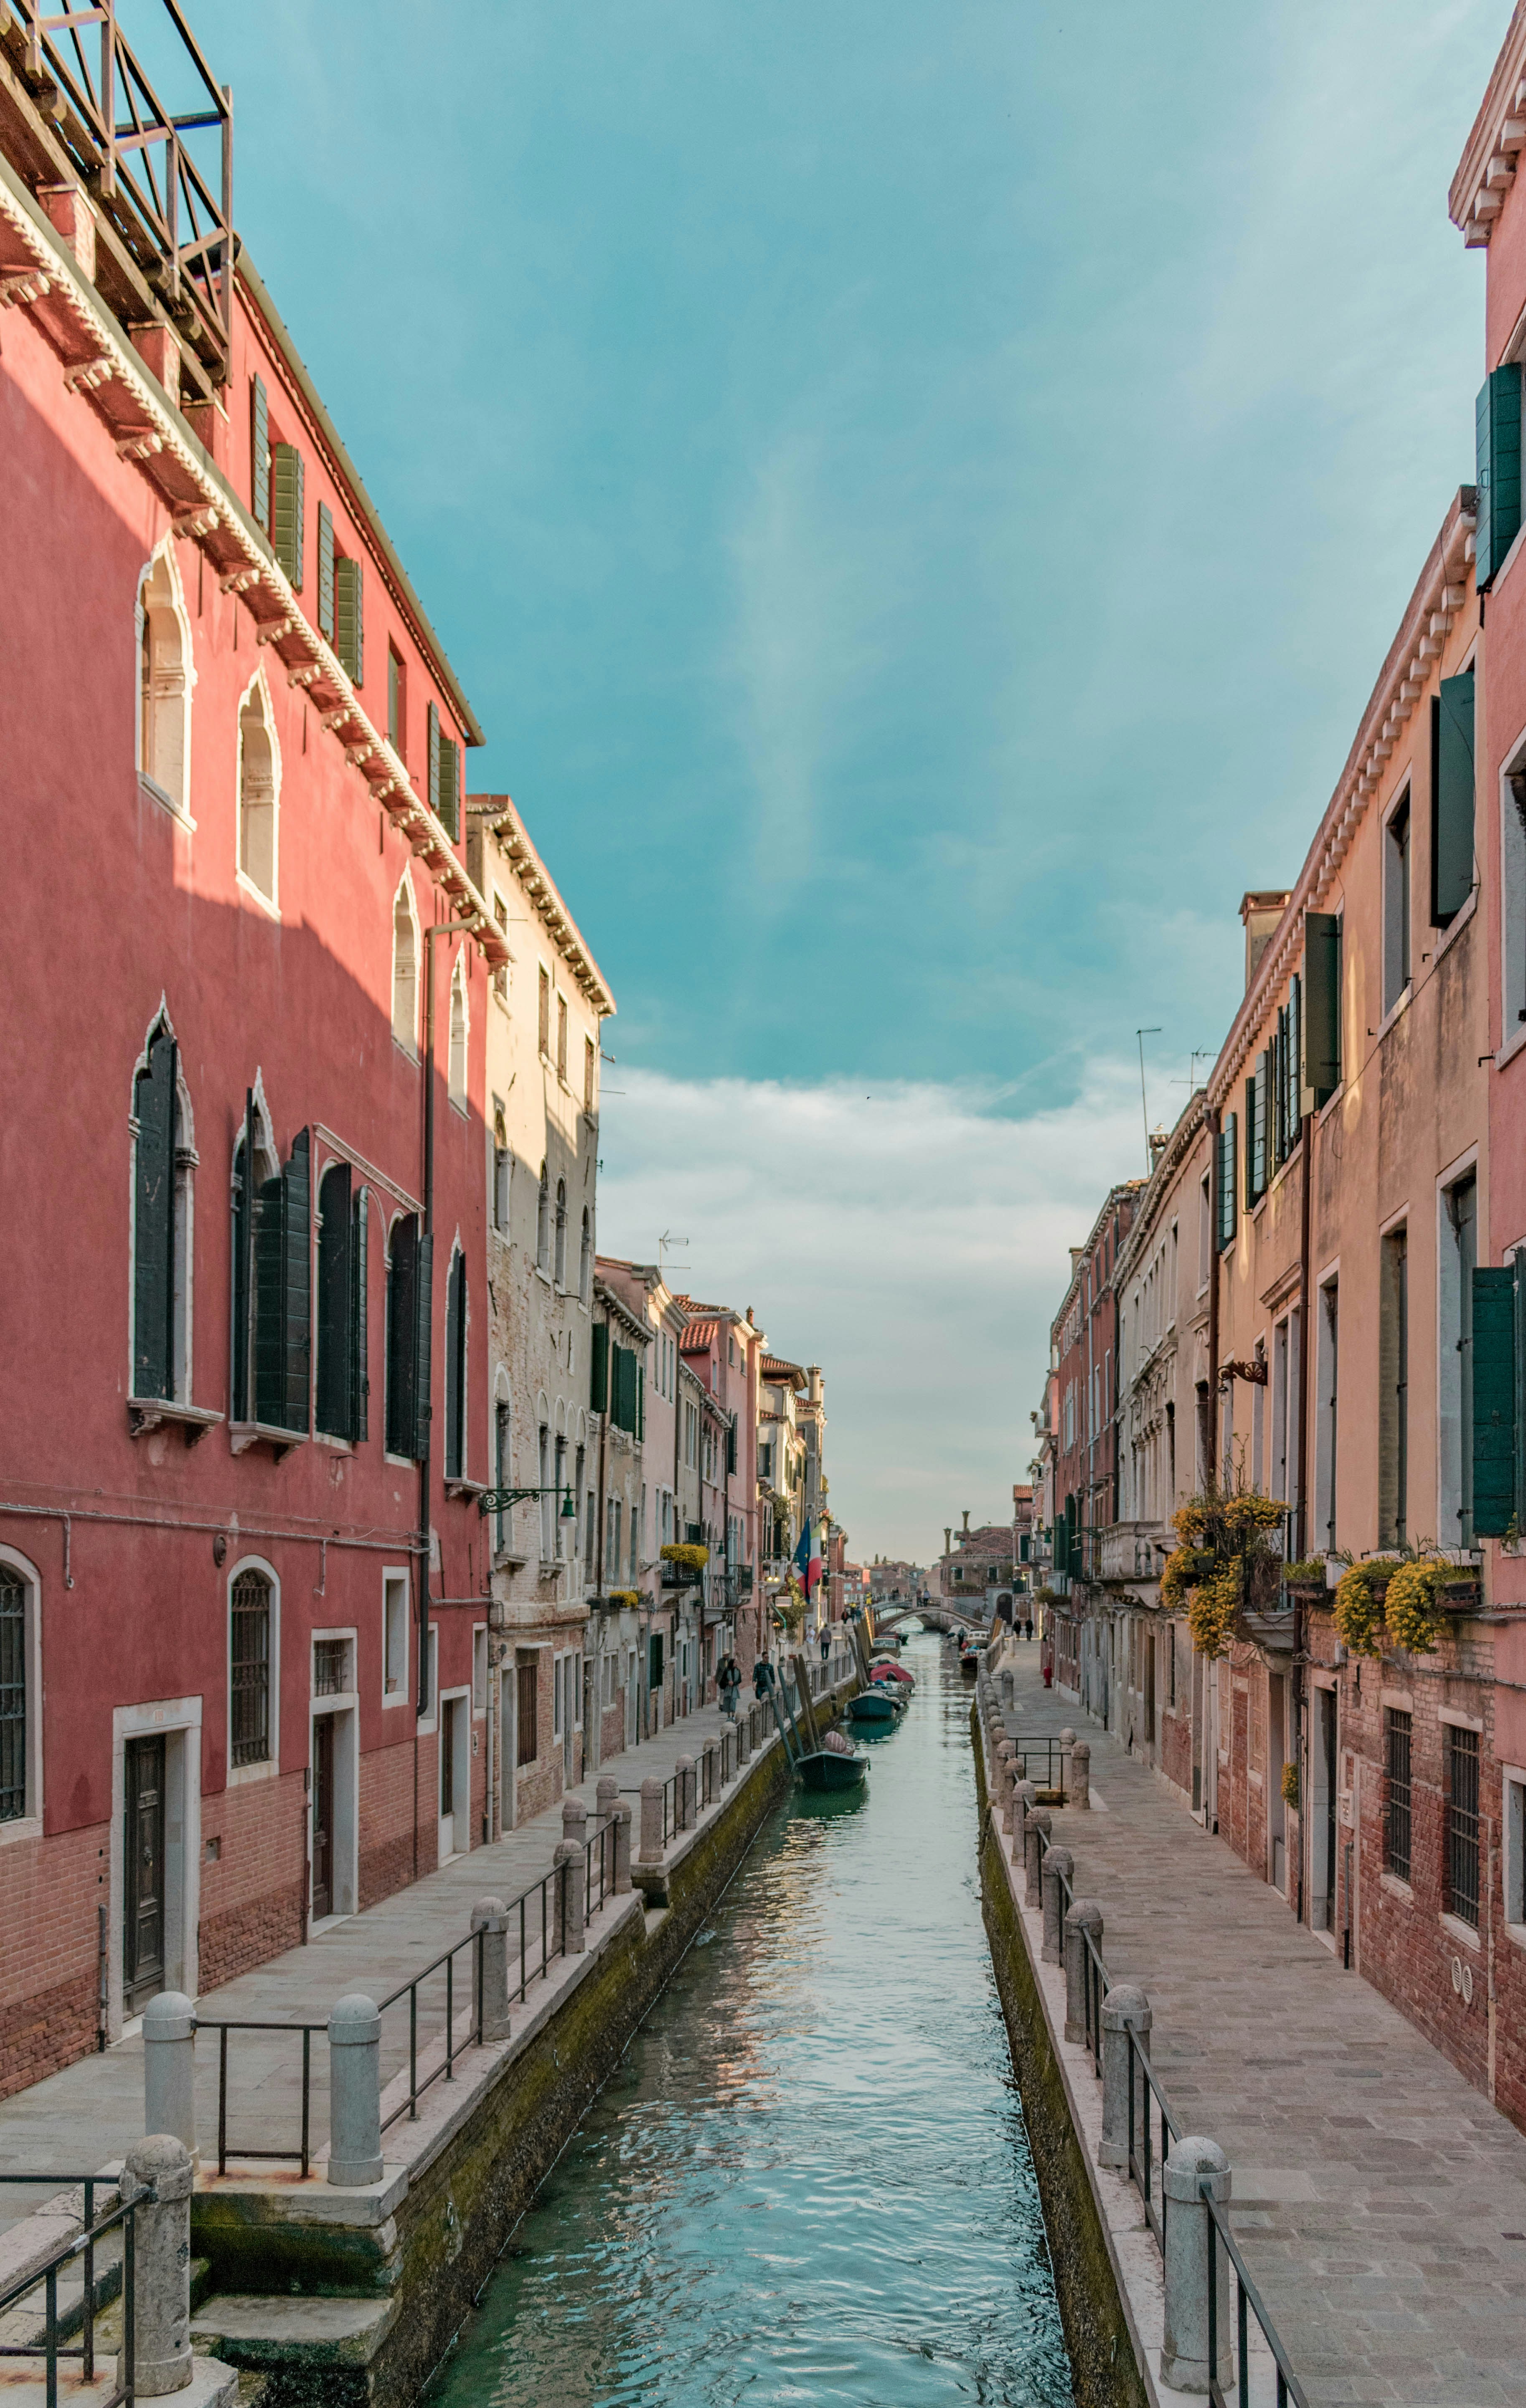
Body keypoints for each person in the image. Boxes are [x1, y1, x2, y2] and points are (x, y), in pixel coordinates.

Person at [717, 1652, 741, 1720]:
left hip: (735, 1688)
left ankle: (733, 1716)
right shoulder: (727, 1671)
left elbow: (740, 1680)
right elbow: (723, 1680)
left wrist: (734, 1683)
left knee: (734, 1701)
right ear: (732, 1664)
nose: (736, 1664)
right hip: (728, 1689)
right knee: (728, 1702)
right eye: (735, 1663)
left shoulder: (738, 1671)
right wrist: (728, 1683)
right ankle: (728, 1716)